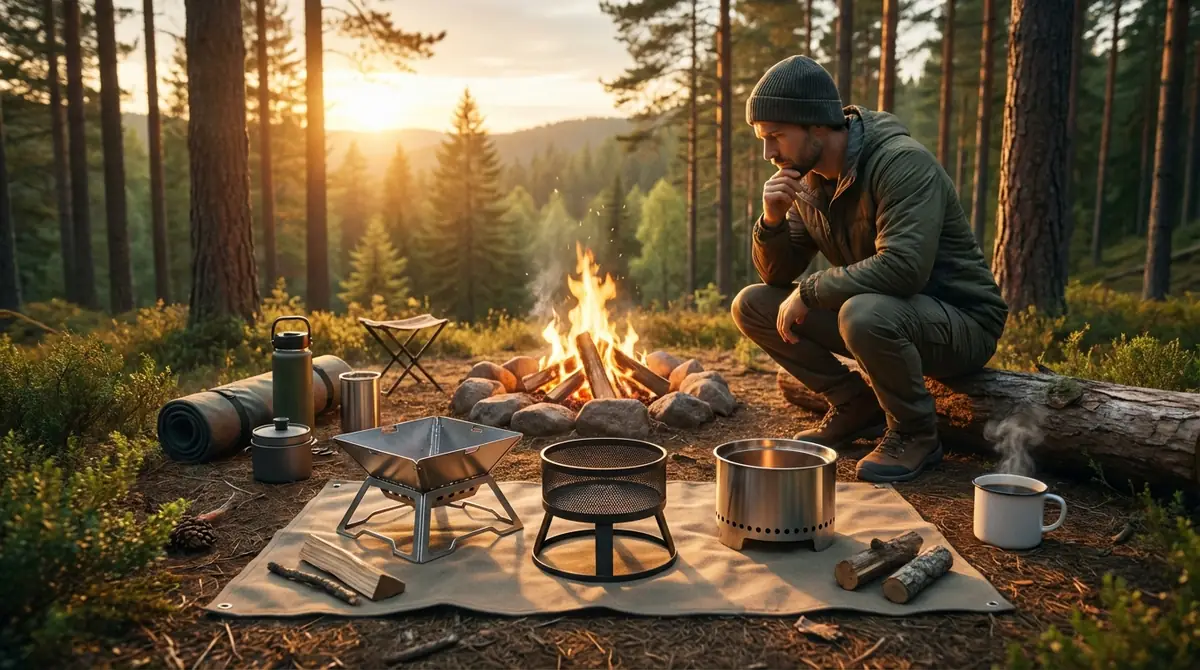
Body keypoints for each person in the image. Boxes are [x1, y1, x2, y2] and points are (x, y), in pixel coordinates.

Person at [731, 55, 1008, 483]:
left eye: (776, 137)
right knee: (752, 304)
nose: (768, 153)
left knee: (861, 313)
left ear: (816, 125)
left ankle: (916, 433)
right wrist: (771, 221)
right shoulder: (807, 181)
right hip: (888, 315)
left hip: (963, 321)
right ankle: (855, 405)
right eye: (763, 140)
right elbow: (776, 276)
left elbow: (903, 268)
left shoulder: (900, 164)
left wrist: (810, 291)